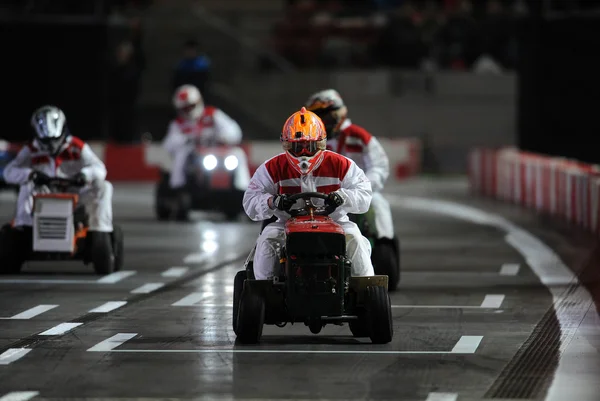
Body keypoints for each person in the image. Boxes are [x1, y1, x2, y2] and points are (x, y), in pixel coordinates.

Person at [243, 107, 375, 280]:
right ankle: (265, 290)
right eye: (298, 147)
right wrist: (272, 201)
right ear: (287, 144)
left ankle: (364, 288)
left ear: (320, 144)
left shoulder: (341, 164)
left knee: (355, 240)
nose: (304, 153)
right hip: (286, 225)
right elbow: (250, 199)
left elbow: (364, 192)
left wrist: (343, 197)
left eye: (309, 146)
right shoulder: (272, 167)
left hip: (336, 223)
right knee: (267, 240)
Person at [3, 105, 113, 235]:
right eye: (46, 141)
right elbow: (8, 172)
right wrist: (31, 175)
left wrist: (84, 175)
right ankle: (24, 228)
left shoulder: (76, 146)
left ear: (63, 131)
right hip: (45, 195)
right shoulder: (31, 149)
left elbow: (100, 168)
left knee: (104, 186)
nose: (51, 146)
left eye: (54, 140)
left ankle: (100, 231)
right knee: (26, 186)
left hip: (74, 195)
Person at [305, 89, 395, 241]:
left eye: (326, 114)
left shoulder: (359, 136)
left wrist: (363, 186)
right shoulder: (308, 139)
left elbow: (379, 166)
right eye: (317, 115)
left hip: (356, 192)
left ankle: (384, 243)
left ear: (339, 112)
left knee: (378, 203)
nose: (323, 120)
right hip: (320, 193)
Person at [162, 84, 249, 192]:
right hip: (194, 156)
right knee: (181, 154)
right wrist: (186, 139)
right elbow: (168, 145)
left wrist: (223, 137)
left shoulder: (212, 114)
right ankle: (178, 187)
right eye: (185, 108)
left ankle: (243, 189)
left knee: (238, 153)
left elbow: (234, 131)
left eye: (191, 106)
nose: (189, 110)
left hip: (218, 153)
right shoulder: (178, 124)